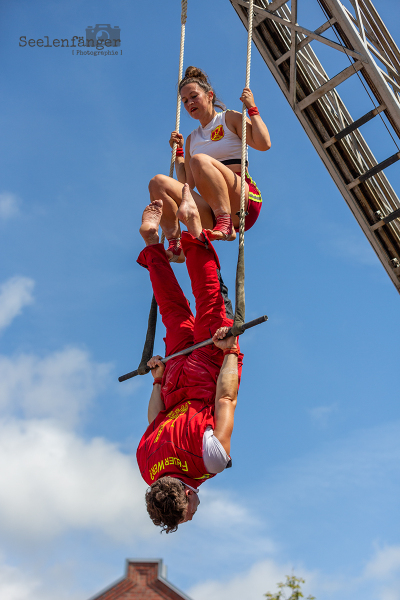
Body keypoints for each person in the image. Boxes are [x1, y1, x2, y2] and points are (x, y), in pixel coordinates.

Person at [136, 184, 244, 533]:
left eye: (188, 513)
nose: (194, 513)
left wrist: (230, 353)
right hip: (173, 379)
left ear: (185, 494)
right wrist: (157, 379)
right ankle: (152, 243)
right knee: (173, 309)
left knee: (209, 298)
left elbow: (226, 398)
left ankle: (193, 225)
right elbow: (156, 418)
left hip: (202, 374)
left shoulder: (209, 463)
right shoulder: (146, 467)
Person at [149, 66, 271, 263]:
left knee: (200, 159)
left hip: (242, 201)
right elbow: (187, 183)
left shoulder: (229, 118)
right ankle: (176, 244)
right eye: (185, 101)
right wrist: (179, 152)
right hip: (211, 213)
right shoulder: (192, 139)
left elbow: (264, 144)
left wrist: (252, 109)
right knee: (157, 183)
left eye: (194, 96)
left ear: (209, 95)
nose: (189, 103)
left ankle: (226, 221)